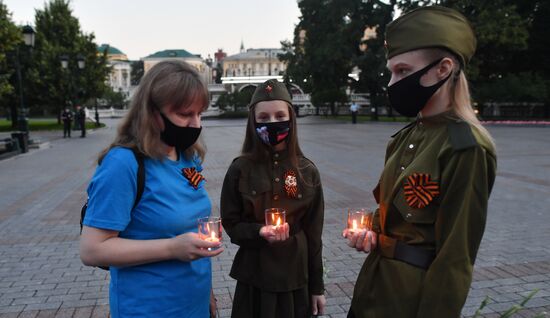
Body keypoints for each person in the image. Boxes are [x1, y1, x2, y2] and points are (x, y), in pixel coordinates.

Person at [345, 6, 497, 318]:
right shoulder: (403, 138)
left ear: (443, 68)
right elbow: (398, 216)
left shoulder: (466, 148)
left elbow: (456, 257)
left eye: (402, 71)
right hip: (374, 288)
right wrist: (371, 230)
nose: (392, 82)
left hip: (412, 299)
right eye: (391, 72)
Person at [79, 60, 223, 318]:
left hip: (194, 305)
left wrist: (207, 292)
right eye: (184, 114)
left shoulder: (187, 156)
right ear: (152, 112)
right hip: (148, 308)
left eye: (199, 113)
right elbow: (92, 250)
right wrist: (171, 248)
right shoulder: (123, 163)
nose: (196, 124)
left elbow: (188, 232)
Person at [221, 79, 326, 318]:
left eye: (280, 116)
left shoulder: (306, 171)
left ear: (291, 117)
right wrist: (258, 232)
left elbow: (314, 235)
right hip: (254, 277)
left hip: (295, 279)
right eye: (264, 117)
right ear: (253, 121)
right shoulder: (240, 169)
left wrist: (317, 288)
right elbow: (231, 224)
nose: (273, 123)